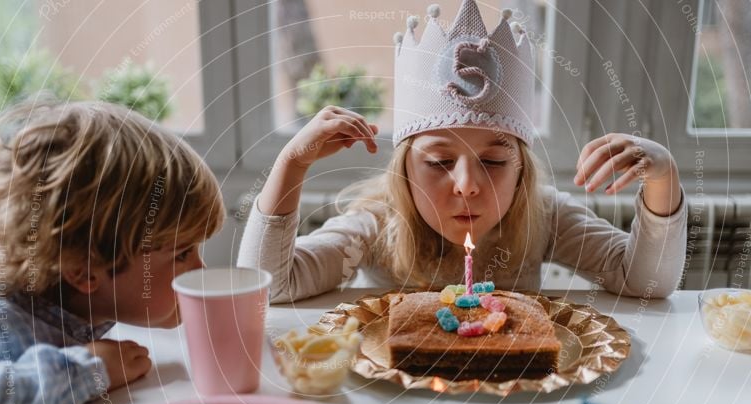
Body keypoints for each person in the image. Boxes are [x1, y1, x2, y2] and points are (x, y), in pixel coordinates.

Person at [237, 0, 686, 304]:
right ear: (404, 171)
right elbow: (268, 288)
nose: (469, 186)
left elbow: (647, 283)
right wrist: (292, 163)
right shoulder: (378, 224)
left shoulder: (541, 217)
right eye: (438, 162)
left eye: (493, 161)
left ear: (522, 171)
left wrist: (663, 178)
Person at [0, 100, 224, 404]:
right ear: (83, 270)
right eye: (182, 254)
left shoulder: (76, 306)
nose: (200, 269)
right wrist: (87, 370)